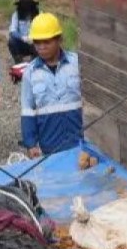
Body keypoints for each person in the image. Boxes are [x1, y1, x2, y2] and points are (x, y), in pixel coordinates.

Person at [20, 13, 83, 157]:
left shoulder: (77, 63)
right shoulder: (30, 73)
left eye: (47, 42)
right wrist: (31, 144)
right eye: (37, 42)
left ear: (59, 40)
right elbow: (27, 110)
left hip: (81, 142)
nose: (41, 47)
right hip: (50, 145)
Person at [7, 0, 40, 64]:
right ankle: (18, 60)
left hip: (35, 43)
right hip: (22, 43)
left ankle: (36, 60)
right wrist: (22, 38)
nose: (26, 7)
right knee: (11, 41)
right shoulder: (16, 15)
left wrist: (35, 38)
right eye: (24, 5)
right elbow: (12, 31)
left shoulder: (40, 14)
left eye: (28, 5)